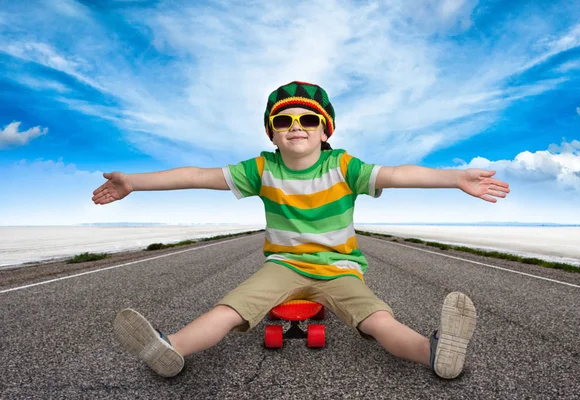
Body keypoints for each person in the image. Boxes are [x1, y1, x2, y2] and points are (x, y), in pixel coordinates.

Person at [92, 81, 510, 379]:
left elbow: (400, 173)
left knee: (378, 319)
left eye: (309, 117)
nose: (297, 124)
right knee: (228, 310)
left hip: (340, 268)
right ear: (272, 132)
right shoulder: (260, 169)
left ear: (325, 129)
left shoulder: (344, 166)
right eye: (284, 118)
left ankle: (433, 351)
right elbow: (195, 175)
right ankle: (170, 349)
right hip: (284, 266)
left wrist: (454, 177)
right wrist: (134, 181)